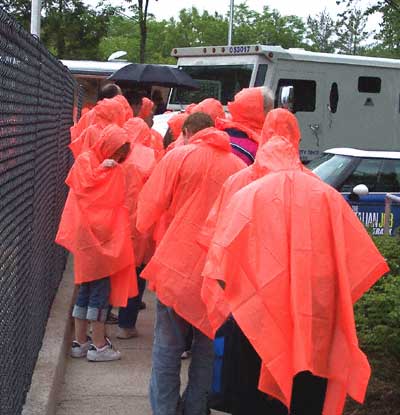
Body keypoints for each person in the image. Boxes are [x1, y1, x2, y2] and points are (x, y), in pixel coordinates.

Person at [202, 133, 389, 414]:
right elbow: (355, 261)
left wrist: (243, 297)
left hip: (256, 318)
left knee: (253, 398)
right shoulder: (328, 197)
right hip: (315, 317)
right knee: (308, 391)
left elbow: (221, 262)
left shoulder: (247, 195)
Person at [136, 112, 246, 415]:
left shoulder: (179, 157)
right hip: (217, 274)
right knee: (207, 350)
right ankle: (196, 408)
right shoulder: (239, 167)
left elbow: (148, 208)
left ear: (187, 132)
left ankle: (165, 409)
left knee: (167, 347)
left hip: (177, 267)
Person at [56, 125, 137, 362]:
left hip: (86, 236)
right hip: (101, 239)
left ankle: (81, 342)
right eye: (116, 154)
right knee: (99, 292)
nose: (117, 160)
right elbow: (90, 190)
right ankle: (99, 345)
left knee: (85, 288)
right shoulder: (95, 164)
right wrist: (105, 171)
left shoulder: (87, 159)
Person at [217, 86, 274, 165]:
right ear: (260, 111)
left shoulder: (218, 133)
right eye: (270, 110)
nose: (271, 114)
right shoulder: (258, 148)